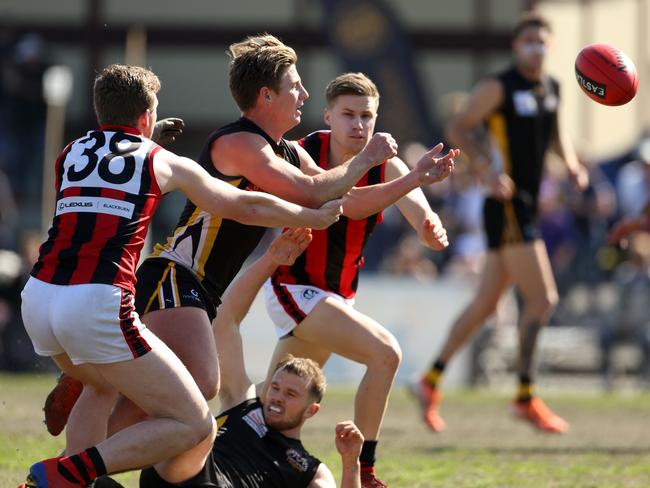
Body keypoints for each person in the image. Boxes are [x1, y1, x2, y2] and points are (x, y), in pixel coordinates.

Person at [17, 63, 343, 488]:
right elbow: (245, 206)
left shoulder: (70, 152)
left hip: (39, 297)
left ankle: (70, 455)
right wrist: (312, 216)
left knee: (100, 387)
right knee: (194, 424)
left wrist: (146, 137)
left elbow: (112, 166)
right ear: (148, 116)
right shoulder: (162, 159)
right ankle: (65, 473)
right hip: (97, 300)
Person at [263, 72, 457, 487]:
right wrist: (413, 179)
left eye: (366, 116)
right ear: (327, 115)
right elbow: (346, 204)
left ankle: (232, 458)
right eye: (348, 115)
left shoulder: (389, 163)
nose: (358, 125)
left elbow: (420, 213)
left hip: (335, 296)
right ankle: (367, 471)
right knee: (385, 353)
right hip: (294, 287)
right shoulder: (301, 153)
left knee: (281, 404)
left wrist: (430, 228)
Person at [417, 11, 589, 434]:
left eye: (542, 40)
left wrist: (570, 164)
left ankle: (430, 380)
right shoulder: (499, 86)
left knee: (486, 304)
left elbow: (555, 132)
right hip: (507, 203)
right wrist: (486, 170)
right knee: (543, 300)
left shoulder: (552, 87)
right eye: (528, 40)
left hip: (526, 205)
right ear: (516, 47)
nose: (536, 47)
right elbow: (459, 125)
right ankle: (525, 396)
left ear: (550, 45)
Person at [137, 228, 365, 487]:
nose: (277, 396)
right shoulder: (243, 402)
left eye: (290, 395)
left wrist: (350, 463)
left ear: (311, 410)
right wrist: (271, 260)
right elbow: (226, 321)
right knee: (194, 418)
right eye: (275, 387)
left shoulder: (309, 469)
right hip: (185, 475)